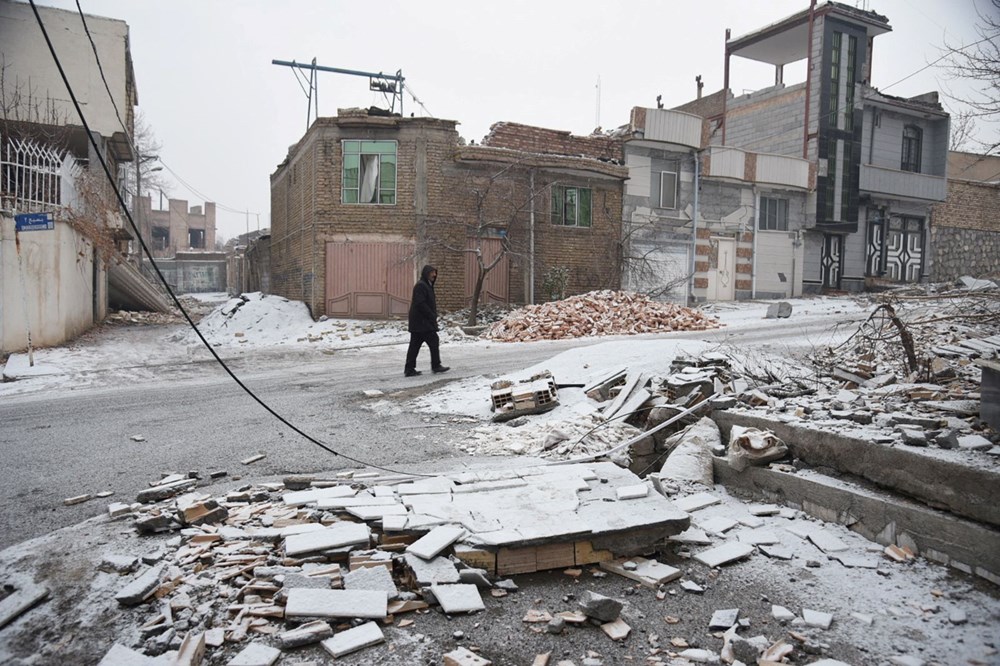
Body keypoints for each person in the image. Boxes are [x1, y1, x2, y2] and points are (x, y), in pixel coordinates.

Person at [404, 264, 450, 377]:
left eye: (435, 272)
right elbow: (420, 303)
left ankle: (409, 369)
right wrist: (431, 315)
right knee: (433, 341)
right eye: (432, 273)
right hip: (422, 322)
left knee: (415, 345)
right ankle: (435, 366)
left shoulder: (427, 285)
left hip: (421, 323)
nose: (434, 275)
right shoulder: (421, 286)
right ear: (426, 274)